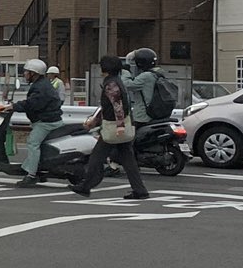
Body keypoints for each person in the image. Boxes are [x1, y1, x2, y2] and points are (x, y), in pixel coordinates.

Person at [72, 53, 150, 200]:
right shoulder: (117, 81)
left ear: (105, 68)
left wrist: (119, 126)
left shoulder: (111, 84)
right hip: (121, 126)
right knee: (128, 160)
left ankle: (85, 186)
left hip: (113, 127)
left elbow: (117, 106)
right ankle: (140, 190)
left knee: (96, 157)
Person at [11, 56, 67, 186]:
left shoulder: (40, 87)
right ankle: (36, 168)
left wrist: (13, 106)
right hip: (50, 119)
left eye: (26, 72)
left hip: (46, 122)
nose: (24, 74)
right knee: (40, 144)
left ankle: (31, 175)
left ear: (33, 73)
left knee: (32, 143)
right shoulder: (43, 84)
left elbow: (32, 104)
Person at [123, 47, 160, 125]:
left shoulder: (146, 76)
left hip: (143, 116)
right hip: (154, 113)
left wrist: (125, 71)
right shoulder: (157, 73)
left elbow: (127, 84)